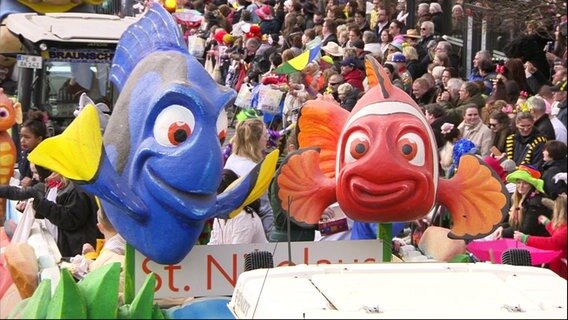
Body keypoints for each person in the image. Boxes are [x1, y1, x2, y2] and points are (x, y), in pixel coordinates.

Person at [209, 118, 270, 244]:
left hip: (229, 219)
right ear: (256, 140)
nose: (268, 138)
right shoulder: (254, 169)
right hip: (248, 220)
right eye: (265, 135)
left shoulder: (233, 158)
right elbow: (264, 208)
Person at [514, 194, 567, 279]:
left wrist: (526, 239)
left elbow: (553, 242)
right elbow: (558, 234)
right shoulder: (564, 227)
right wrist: (547, 223)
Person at [494, 165, 553, 239]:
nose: (521, 186)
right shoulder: (515, 199)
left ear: (531, 185)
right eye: (519, 183)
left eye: (525, 183)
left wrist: (504, 232)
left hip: (538, 244)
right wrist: (502, 227)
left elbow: (526, 230)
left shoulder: (535, 203)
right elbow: (510, 222)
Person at [18, 110, 49, 187]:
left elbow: (48, 183)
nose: (22, 140)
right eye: (21, 136)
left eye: (27, 137)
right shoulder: (25, 153)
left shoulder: (46, 157)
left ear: (39, 139)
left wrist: (32, 183)